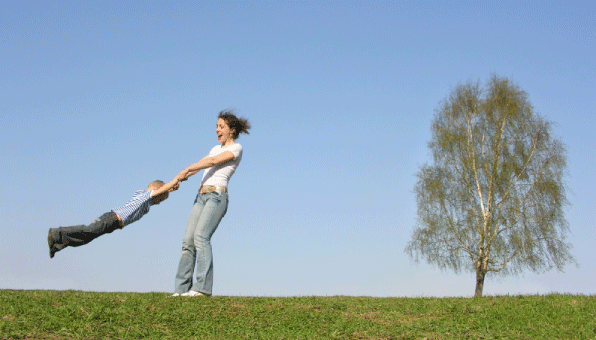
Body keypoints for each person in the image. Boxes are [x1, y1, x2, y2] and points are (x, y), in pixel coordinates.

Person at [172, 110, 250, 297]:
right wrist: (181, 177)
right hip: (201, 196)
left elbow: (213, 162)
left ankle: (202, 288)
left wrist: (188, 168)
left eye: (221, 126)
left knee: (201, 237)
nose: (217, 130)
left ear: (231, 130)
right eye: (216, 126)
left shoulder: (236, 148)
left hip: (217, 197)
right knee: (188, 241)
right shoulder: (215, 148)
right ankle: (181, 290)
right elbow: (204, 162)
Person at [47, 177, 180, 258]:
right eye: (161, 199)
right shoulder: (145, 196)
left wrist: (170, 190)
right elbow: (158, 191)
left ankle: (57, 244)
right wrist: (174, 181)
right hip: (111, 218)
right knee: (88, 231)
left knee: (86, 239)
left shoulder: (146, 203)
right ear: (156, 192)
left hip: (113, 224)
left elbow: (161, 191)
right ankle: (56, 233)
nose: (160, 202)